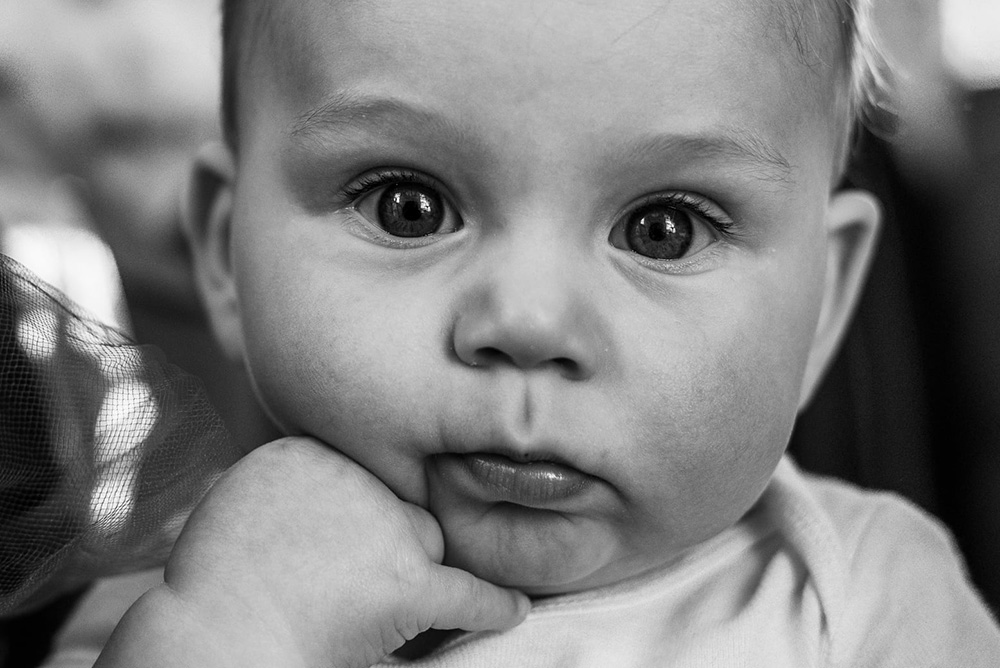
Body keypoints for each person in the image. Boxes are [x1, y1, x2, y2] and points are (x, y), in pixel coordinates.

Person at [42, 0, 1000, 665]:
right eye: (410, 206)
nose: (529, 325)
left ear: (823, 302)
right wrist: (234, 637)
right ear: (225, 253)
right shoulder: (173, 611)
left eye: (661, 230)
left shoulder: (870, 596)